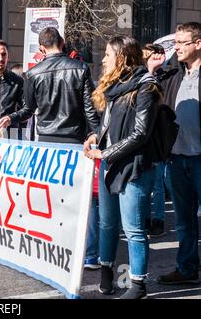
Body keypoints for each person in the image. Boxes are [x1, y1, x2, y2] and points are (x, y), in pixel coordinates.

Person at [84, 36, 162, 299]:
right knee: (107, 224)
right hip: (110, 163)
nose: (103, 59)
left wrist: (104, 152)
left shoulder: (146, 86)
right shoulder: (114, 86)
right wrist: (96, 136)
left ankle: (138, 285)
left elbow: (140, 134)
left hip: (135, 167)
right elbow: (108, 125)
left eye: (108, 54)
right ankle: (107, 274)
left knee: (134, 228)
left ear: (122, 57)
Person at [0, 27, 99, 144]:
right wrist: (97, 133)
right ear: (62, 42)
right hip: (75, 137)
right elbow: (90, 108)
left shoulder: (32, 74)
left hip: (46, 138)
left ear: (41, 49)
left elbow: (29, 109)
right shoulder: (81, 68)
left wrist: (11, 117)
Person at [157, 22, 200, 285]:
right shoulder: (173, 75)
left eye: (182, 42)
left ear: (198, 44)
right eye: (176, 43)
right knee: (183, 221)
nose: (177, 47)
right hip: (176, 158)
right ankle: (186, 268)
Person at [142, 44, 168, 238]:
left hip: (158, 137)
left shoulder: (167, 76)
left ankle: (158, 219)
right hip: (142, 137)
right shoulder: (140, 75)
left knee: (158, 183)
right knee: (143, 183)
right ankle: (144, 218)